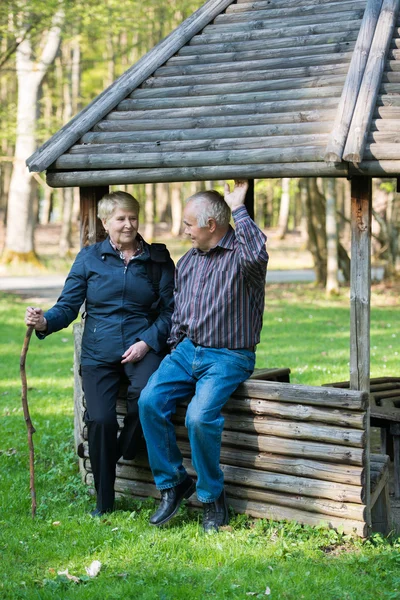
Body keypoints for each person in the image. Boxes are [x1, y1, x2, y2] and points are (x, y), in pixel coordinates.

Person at [25, 191, 175, 517]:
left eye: (133, 217)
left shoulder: (158, 259)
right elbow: (68, 305)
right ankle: (104, 501)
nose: (128, 224)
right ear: (105, 222)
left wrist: (147, 342)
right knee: (101, 421)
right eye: (120, 218)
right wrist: (45, 320)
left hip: (142, 346)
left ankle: (129, 446)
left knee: (147, 395)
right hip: (98, 351)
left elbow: (170, 311)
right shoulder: (89, 258)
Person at [138, 179, 268, 533]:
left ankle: (212, 496)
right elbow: (181, 310)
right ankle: (173, 483)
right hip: (187, 351)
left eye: (188, 224)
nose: (184, 231)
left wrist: (238, 206)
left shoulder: (243, 258)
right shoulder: (189, 260)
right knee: (150, 400)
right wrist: (177, 344)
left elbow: (258, 251)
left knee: (198, 417)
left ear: (211, 225)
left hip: (229, 356)